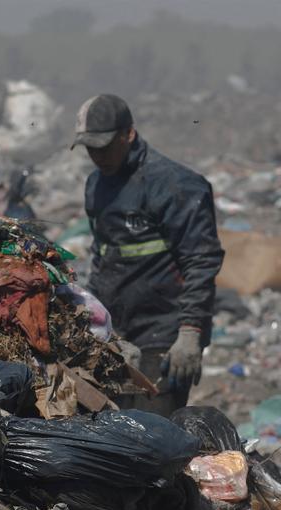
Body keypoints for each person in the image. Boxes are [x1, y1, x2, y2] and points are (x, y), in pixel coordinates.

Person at [74, 94, 223, 415]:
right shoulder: (96, 185)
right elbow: (103, 254)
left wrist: (190, 333)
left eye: (105, 145)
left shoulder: (175, 186)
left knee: (150, 433)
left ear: (128, 134)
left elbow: (201, 261)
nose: (98, 156)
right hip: (116, 331)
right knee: (110, 429)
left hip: (165, 331)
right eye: (91, 148)